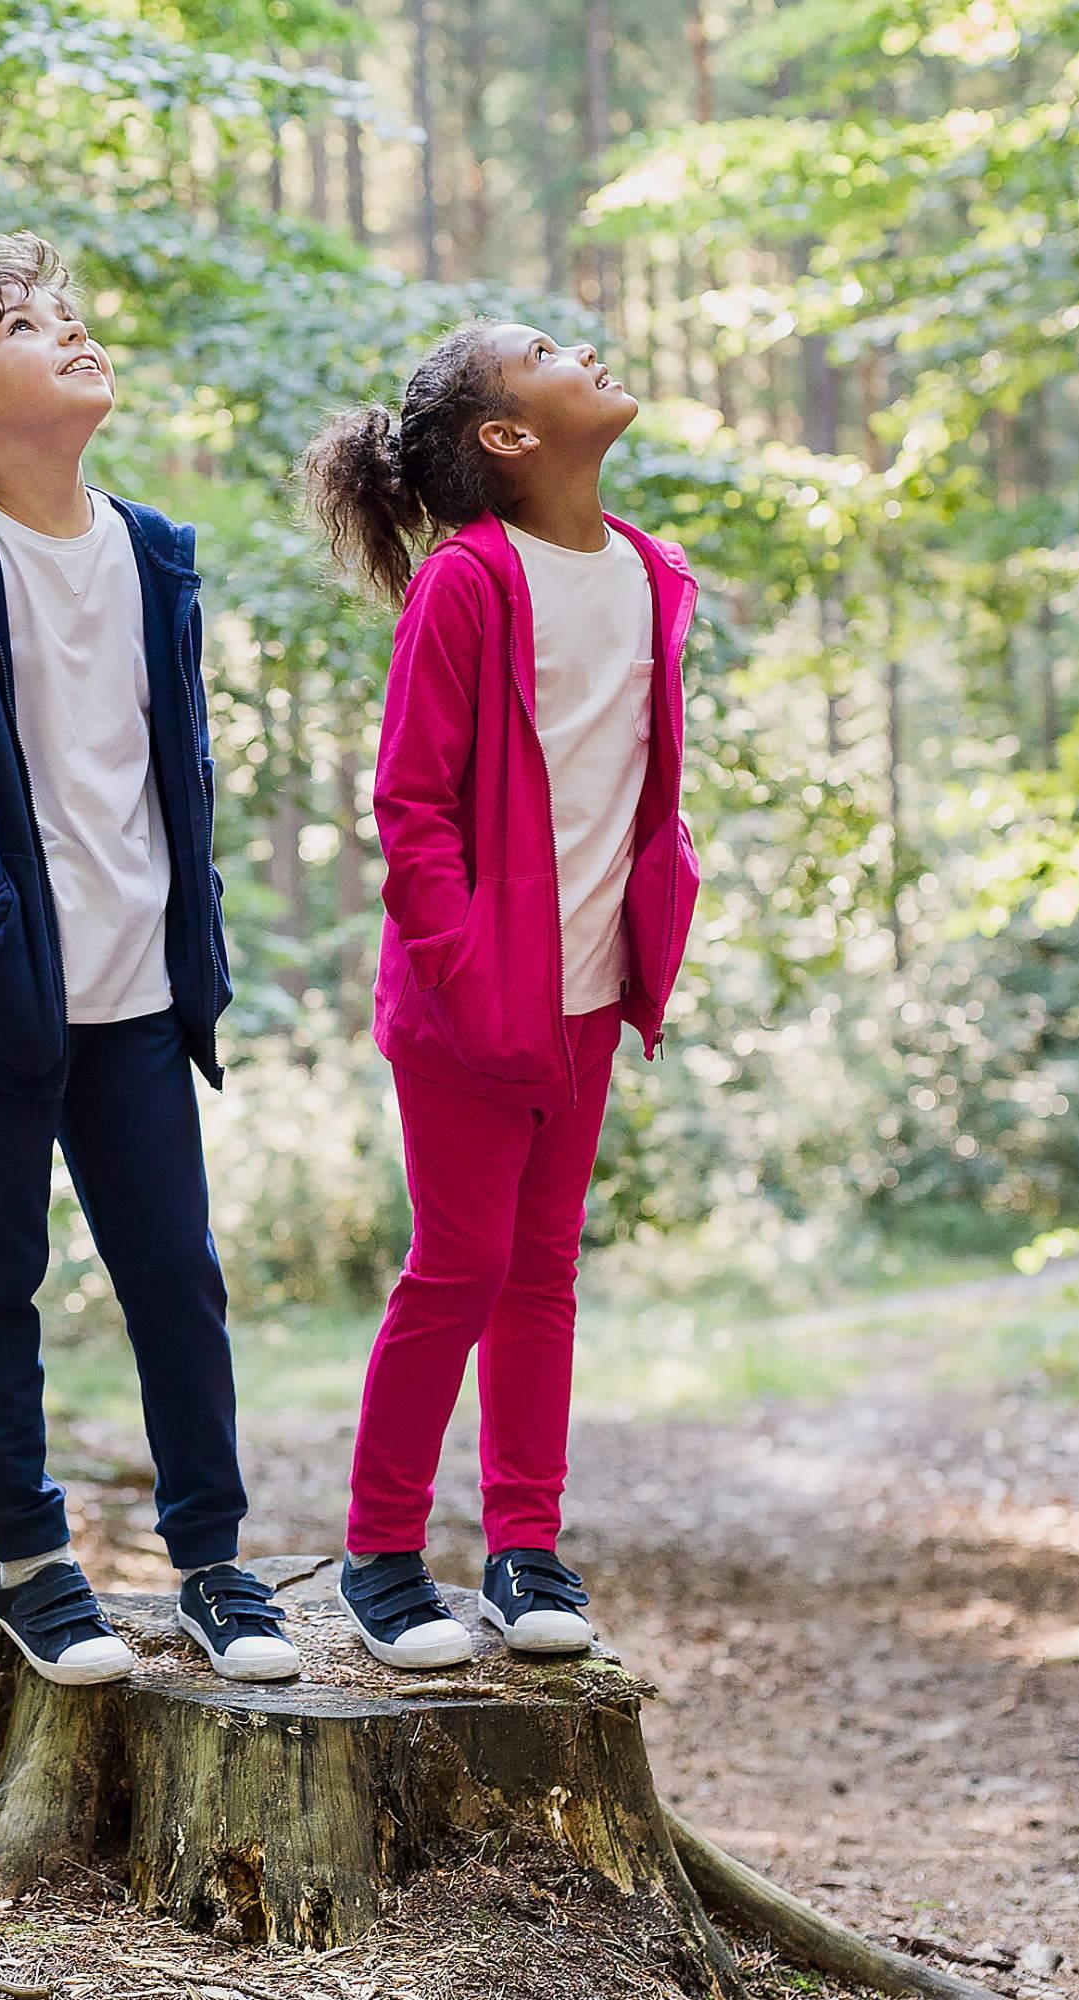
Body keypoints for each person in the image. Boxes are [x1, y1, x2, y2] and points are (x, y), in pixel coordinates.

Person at [0, 233, 299, 1686]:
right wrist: (0, 949)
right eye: (31, 327)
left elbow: (179, 767)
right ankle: (36, 1565)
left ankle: (216, 1564)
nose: (73, 331)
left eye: (70, 314)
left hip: (145, 992)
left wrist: (192, 946)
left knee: (177, 1272)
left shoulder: (155, 550)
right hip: (1, 1003)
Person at [301, 320, 701, 1669]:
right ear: (508, 438)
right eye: (543, 349)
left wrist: (649, 936)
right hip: (473, 1003)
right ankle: (381, 1555)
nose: (583, 347)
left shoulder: (649, 572)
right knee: (455, 1271)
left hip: (590, 990)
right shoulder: (469, 583)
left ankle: (527, 1552)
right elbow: (411, 811)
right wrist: (473, 984)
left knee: (540, 1275)